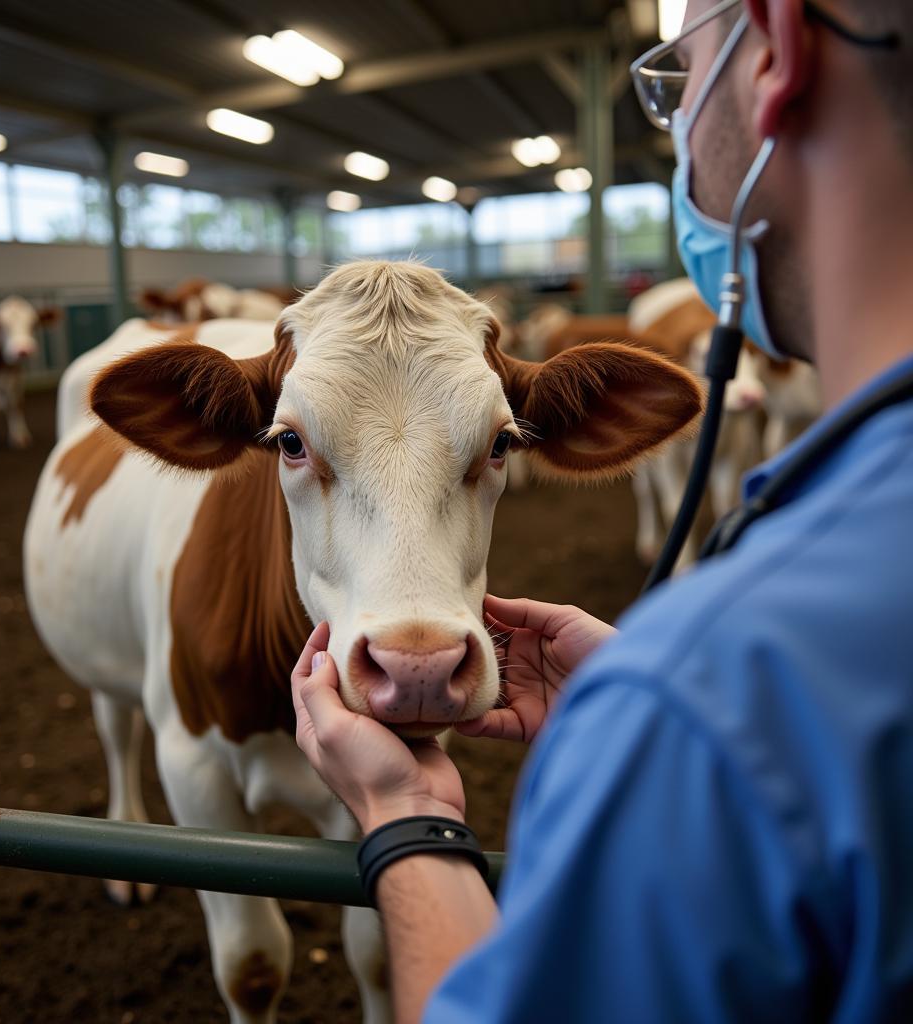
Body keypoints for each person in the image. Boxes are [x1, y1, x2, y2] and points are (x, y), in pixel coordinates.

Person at [291, 0, 913, 1019]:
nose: (674, 125)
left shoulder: (716, 700)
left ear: (774, 48)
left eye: (680, 73)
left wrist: (407, 821)